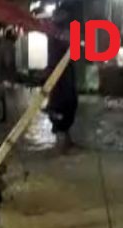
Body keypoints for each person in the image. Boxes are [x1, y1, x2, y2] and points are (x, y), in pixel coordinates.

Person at [47, 3, 78, 150]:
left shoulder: (62, 33)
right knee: (62, 108)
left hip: (64, 76)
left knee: (68, 105)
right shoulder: (58, 34)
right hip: (59, 78)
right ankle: (62, 146)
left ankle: (65, 142)